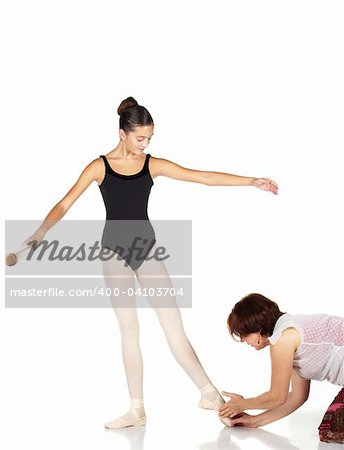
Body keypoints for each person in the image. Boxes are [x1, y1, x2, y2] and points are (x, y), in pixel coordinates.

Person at [24, 97, 279, 429]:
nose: (145, 144)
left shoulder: (151, 164)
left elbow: (200, 176)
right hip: (114, 254)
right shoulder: (99, 166)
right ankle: (137, 410)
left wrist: (250, 181)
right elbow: (64, 203)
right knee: (130, 331)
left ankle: (210, 395)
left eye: (149, 138)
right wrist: (41, 232)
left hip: (146, 250)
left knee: (173, 327)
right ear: (122, 134)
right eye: (140, 138)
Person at [219, 292, 344, 444]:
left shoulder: (284, 337)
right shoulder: (290, 333)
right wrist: (253, 421)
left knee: (332, 429)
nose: (244, 341)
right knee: (331, 428)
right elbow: (297, 397)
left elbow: (277, 396)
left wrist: (243, 404)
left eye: (243, 335)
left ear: (256, 329)